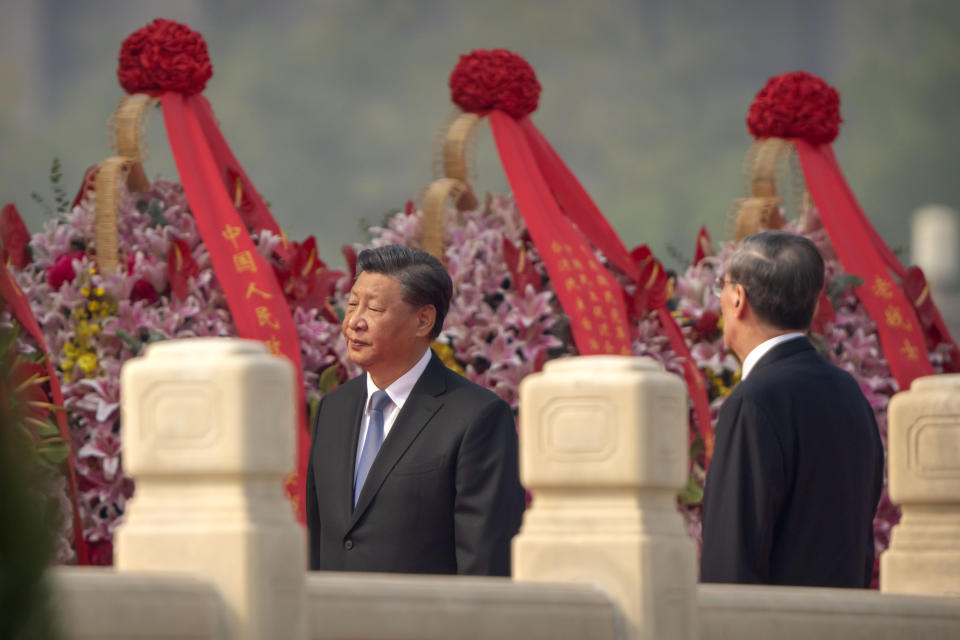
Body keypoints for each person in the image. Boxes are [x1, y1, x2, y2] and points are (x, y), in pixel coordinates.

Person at [305, 244, 525, 575]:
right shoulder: (333, 409)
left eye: (374, 309)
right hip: (333, 620)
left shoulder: (477, 417)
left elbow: (486, 562)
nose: (354, 322)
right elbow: (322, 540)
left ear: (423, 321)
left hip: (424, 623)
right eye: (352, 305)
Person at [700, 231, 884, 587]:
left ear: (738, 298)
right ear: (815, 306)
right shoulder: (851, 396)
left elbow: (732, 556)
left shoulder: (752, 402)